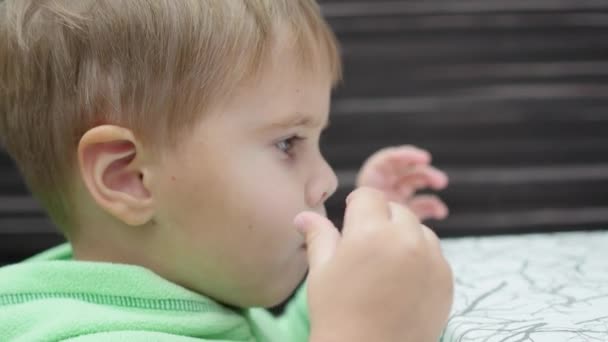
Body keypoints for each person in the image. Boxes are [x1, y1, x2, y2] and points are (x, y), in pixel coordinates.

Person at [0, 1, 453, 341]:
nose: (329, 181)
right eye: (287, 143)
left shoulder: (193, 295)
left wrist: (360, 280)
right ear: (130, 177)